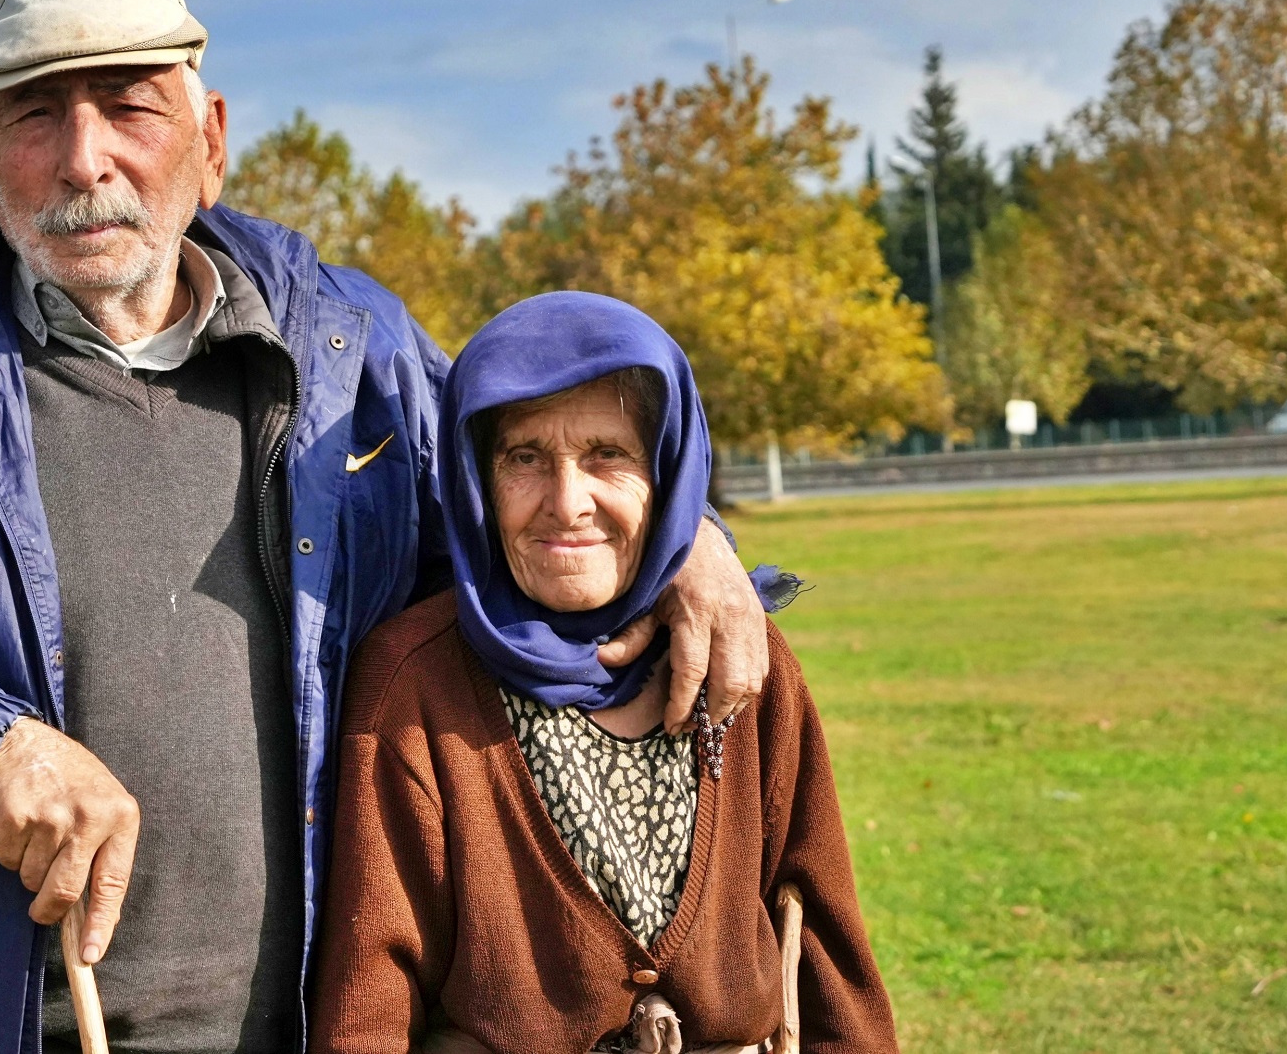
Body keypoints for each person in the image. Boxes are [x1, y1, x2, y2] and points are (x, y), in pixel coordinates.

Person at [0, 0, 774, 1054]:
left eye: (129, 107)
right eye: (33, 116)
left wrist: (691, 548)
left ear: (210, 139)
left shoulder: (347, 343)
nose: (84, 160)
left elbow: (541, 515)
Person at [310, 292, 897, 1054]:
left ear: (668, 470)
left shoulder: (742, 650)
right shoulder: (414, 680)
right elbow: (370, 1003)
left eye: (607, 455)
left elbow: (826, 949)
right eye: (524, 457)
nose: (567, 502)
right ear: (475, 477)